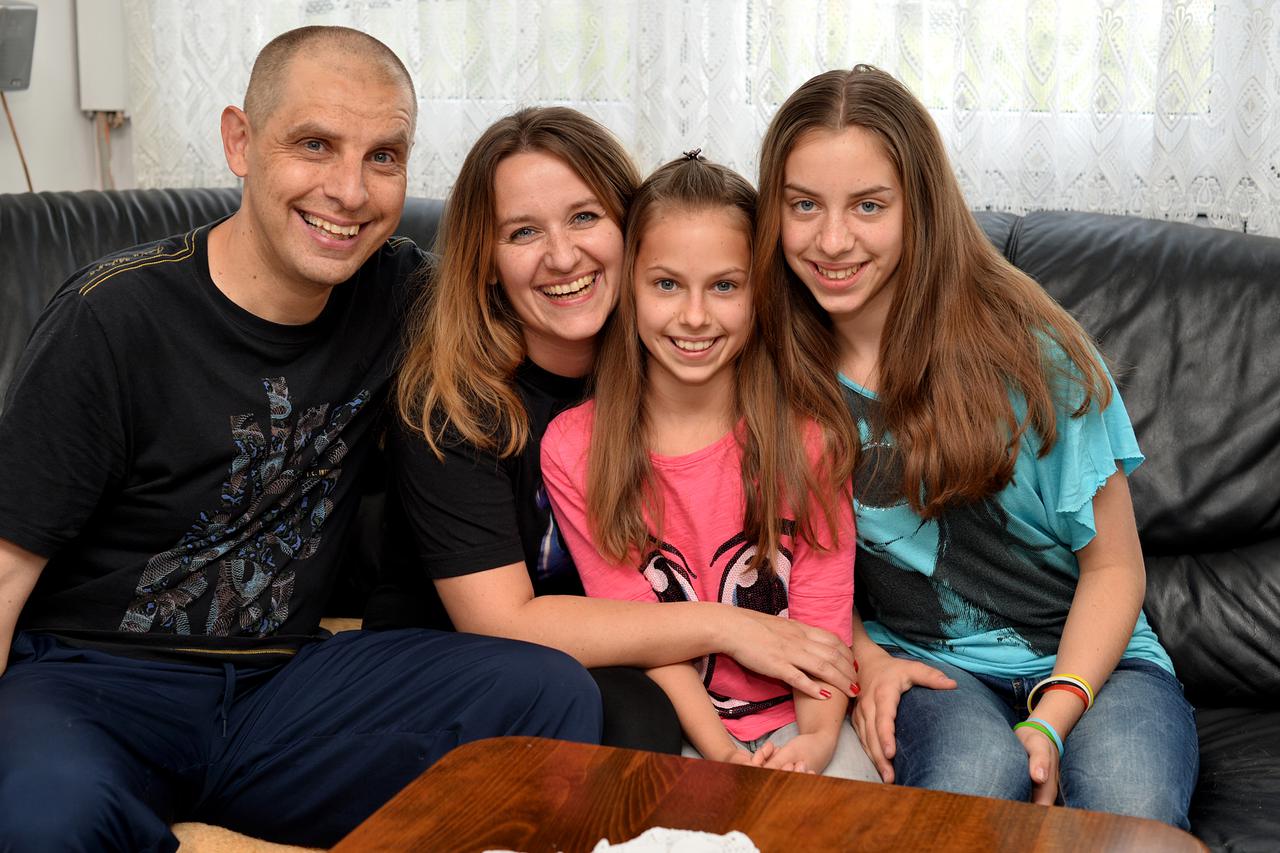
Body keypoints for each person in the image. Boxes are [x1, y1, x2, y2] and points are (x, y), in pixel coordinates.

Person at [0, 27, 600, 852]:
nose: (349, 191)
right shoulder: (112, 319)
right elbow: (3, 568)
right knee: (42, 818)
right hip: (97, 681)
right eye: (315, 144)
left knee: (545, 691)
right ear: (240, 142)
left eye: (384, 156)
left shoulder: (407, 295)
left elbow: (556, 307)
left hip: (284, 684)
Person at [754, 64, 1199, 825]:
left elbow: (1116, 566)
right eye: (804, 205)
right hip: (926, 666)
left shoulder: (1037, 357)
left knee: (1132, 804)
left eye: (868, 205)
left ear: (919, 207)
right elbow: (799, 565)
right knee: (970, 788)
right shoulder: (770, 368)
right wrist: (869, 660)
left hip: (1097, 664)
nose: (832, 239)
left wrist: (1053, 715)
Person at [366, 109, 861, 753]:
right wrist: (729, 628)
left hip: (637, 649)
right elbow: (500, 624)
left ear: (633, 238)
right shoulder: (458, 409)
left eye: (584, 216)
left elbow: (810, 559)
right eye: (522, 232)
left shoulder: (674, 359)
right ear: (485, 261)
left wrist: (861, 655)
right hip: (466, 660)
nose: (563, 255)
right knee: (631, 720)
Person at [540, 152, 878, 780]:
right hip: (686, 721)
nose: (695, 317)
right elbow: (638, 629)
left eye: (725, 286)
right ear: (628, 287)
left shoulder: (809, 437)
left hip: (809, 719)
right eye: (666, 284)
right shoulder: (577, 449)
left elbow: (823, 608)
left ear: (760, 294)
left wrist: (819, 741)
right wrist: (723, 755)